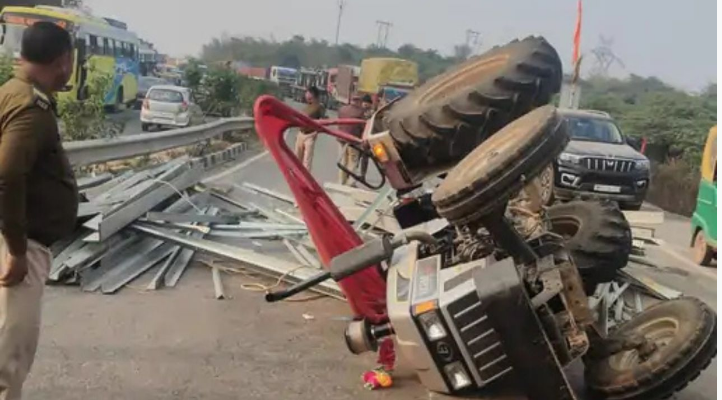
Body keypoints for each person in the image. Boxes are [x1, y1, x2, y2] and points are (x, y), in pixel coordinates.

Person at [0, 22, 78, 400]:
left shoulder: (9, 92)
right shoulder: (32, 108)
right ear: (63, 60)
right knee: (9, 357)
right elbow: (7, 173)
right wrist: (16, 250)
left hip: (14, 235)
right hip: (21, 244)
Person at [336, 94, 366, 185]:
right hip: (353, 141)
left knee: (343, 161)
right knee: (353, 162)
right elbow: (363, 127)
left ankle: (341, 181)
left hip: (341, 139)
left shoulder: (342, 109)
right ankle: (350, 182)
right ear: (358, 102)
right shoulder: (360, 112)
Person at [295, 86, 326, 170]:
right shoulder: (307, 106)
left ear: (312, 94)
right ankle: (296, 175)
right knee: (297, 158)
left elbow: (323, 121)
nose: (305, 95)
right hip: (301, 133)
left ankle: (305, 176)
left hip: (310, 135)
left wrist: (316, 132)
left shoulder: (319, 106)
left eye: (307, 93)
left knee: (307, 161)